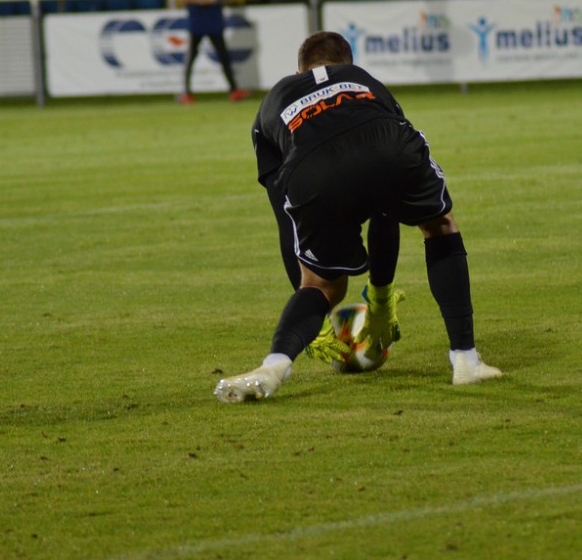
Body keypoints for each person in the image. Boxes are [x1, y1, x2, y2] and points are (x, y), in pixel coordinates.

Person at [214, 31, 502, 403]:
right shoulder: (362, 79)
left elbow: (286, 220)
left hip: (311, 169)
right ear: (345, 63)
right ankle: (465, 359)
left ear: (300, 70)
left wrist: (309, 294)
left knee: (322, 287)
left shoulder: (273, 102)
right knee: (439, 225)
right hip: (386, 144)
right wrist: (380, 300)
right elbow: (386, 202)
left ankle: (273, 366)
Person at [176, 0, 250, 103]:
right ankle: (186, 92)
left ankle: (234, 90)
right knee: (191, 56)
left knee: (223, 56)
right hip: (198, 21)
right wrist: (201, 1)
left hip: (214, 20)